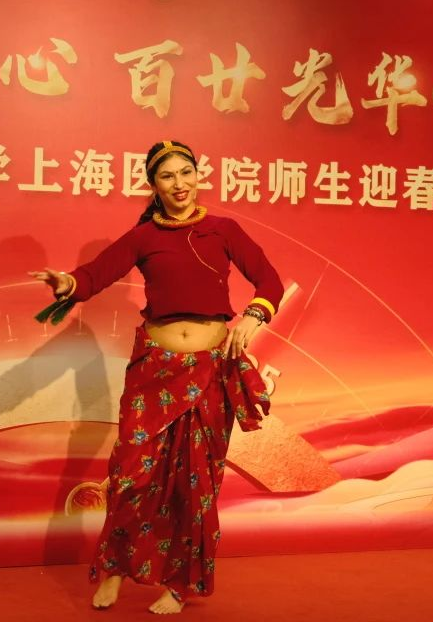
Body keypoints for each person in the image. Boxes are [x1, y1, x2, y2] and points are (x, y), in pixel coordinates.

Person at [29, 140, 283, 614]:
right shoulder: (143, 236)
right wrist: (69, 284)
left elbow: (270, 281)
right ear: (154, 185)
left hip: (209, 373)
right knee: (131, 475)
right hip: (153, 372)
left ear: (198, 176)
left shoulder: (224, 230)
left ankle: (178, 585)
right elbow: (95, 274)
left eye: (186, 172)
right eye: (167, 176)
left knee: (195, 484)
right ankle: (114, 570)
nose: (179, 184)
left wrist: (253, 316)